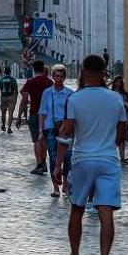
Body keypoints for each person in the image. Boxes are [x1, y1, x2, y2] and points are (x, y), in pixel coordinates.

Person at [54, 53, 127, 255]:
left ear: (83, 72)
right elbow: (122, 132)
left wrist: (58, 166)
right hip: (108, 160)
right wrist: (108, 145)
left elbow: (66, 133)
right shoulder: (116, 99)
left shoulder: (75, 100)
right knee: (106, 214)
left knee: (77, 209)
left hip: (82, 160)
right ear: (104, 72)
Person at [38, 64, 73, 196]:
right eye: (56, 76)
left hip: (66, 127)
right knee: (53, 157)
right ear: (52, 77)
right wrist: (41, 130)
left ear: (64, 77)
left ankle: (65, 185)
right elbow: (42, 111)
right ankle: (55, 187)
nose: (58, 78)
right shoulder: (47, 93)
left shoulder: (70, 93)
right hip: (51, 127)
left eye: (61, 76)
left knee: (68, 157)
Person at [16, 60, 52, 171]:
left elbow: (24, 98)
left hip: (35, 113)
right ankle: (45, 161)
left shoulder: (31, 82)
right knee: (44, 139)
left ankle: (40, 164)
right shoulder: (50, 82)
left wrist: (19, 116)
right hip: (48, 114)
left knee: (36, 139)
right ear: (43, 68)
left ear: (33, 69)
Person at [0, 65, 19, 133]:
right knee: (10, 113)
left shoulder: (1, 79)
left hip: (3, 97)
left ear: (4, 71)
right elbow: (16, 90)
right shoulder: (13, 79)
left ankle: (3, 125)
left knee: (3, 113)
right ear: (10, 72)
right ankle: (9, 128)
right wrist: (15, 99)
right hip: (11, 97)